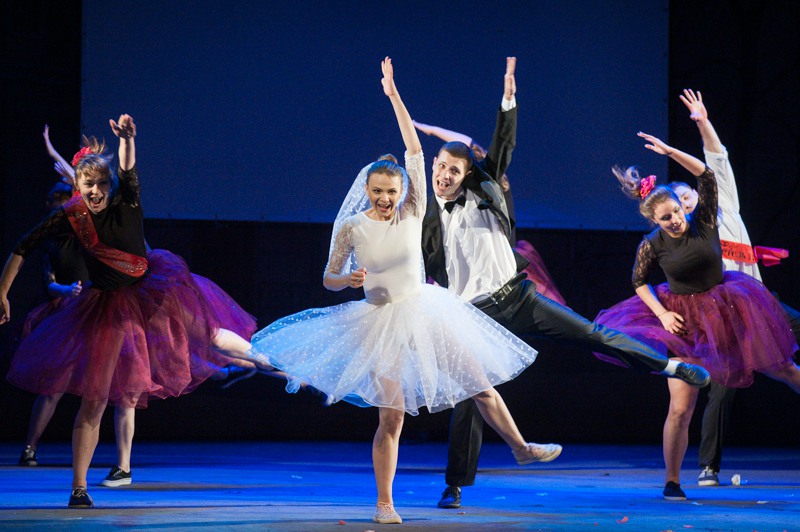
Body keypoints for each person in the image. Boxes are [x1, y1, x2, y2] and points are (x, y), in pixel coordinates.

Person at [248, 57, 558, 525]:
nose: (385, 198)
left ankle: (521, 448)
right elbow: (328, 277)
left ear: (402, 191)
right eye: (378, 191)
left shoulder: (413, 211)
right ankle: (384, 503)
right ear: (367, 189)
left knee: (480, 385)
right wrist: (347, 280)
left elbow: (414, 147)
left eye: (392, 191)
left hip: (426, 310)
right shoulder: (353, 228)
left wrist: (394, 95)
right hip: (381, 324)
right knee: (391, 418)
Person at [421, 58, 711, 510]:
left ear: (469, 175)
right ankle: (455, 485)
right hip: (473, 315)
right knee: (470, 397)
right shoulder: (427, 215)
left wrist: (508, 99)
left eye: (454, 170)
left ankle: (670, 367)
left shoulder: (488, 193)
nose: (444, 175)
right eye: (440, 167)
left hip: (518, 297)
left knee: (591, 333)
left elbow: (499, 145)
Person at [1, 115, 258, 508]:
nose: (96, 191)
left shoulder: (127, 199)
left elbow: (126, 168)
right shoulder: (71, 215)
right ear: (77, 187)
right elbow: (23, 246)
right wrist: (2, 292)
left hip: (154, 292)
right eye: (88, 185)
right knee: (95, 401)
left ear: (111, 185)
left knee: (206, 334)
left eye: (102, 184)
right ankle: (80, 487)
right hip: (107, 306)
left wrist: (127, 140)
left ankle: (265, 360)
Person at [596, 131, 800, 501]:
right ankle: (672, 482)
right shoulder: (652, 244)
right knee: (680, 408)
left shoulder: (703, 218)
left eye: (676, 212)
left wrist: (670, 151)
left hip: (729, 308)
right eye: (665, 218)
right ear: (653, 220)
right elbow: (638, 282)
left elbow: (706, 174)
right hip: (684, 323)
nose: (675, 220)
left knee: (784, 368)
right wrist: (661, 314)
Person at [670, 89, 800, 488]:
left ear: (698, 194)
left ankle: (708, 466)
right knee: (722, 387)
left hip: (760, 302)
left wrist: (703, 122)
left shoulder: (725, 204)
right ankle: (707, 467)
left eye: (688, 196)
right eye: (678, 204)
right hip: (723, 318)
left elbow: (717, 159)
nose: (686, 203)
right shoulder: (690, 238)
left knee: (787, 369)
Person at [412, 119, 566, 305]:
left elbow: (474, 147)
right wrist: (432, 130)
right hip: (468, 263)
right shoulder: (463, 195)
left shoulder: (492, 186)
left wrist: (432, 130)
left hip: (499, 265)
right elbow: (470, 145)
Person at [18, 180, 89, 467]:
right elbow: (49, 284)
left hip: (96, 309)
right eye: (56, 204)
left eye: (65, 203)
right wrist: (67, 290)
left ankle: (116, 459)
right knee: (53, 387)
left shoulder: (87, 234)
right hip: (66, 313)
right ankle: (30, 447)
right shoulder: (49, 243)